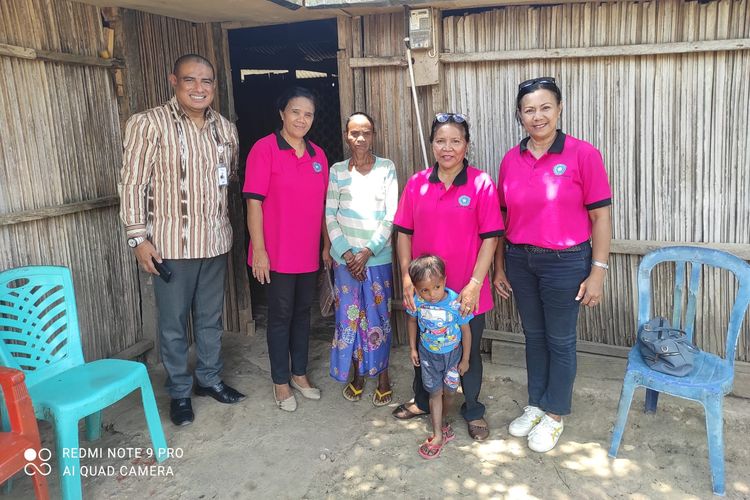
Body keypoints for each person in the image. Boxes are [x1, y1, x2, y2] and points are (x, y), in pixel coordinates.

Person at [119, 54, 246, 427]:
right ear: (173, 80)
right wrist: (138, 238)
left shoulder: (225, 128)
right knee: (173, 323)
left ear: (214, 87)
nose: (198, 88)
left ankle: (208, 379)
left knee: (209, 319)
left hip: (215, 241)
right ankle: (178, 391)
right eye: (190, 80)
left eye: (206, 82)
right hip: (170, 246)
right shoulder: (148, 124)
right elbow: (132, 184)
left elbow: (230, 177)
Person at [493, 76, 612, 453]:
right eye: (529, 110)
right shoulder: (511, 159)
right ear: (519, 115)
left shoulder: (583, 154)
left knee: (560, 341)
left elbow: (601, 218)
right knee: (534, 337)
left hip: (566, 263)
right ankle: (536, 403)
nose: (537, 116)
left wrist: (598, 272)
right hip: (520, 259)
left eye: (545, 107)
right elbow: (500, 217)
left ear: (559, 109)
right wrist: (499, 267)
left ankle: (555, 414)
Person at [392, 113, 503, 441]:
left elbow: (491, 238)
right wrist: (406, 278)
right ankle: (424, 400)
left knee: (467, 352)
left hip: (467, 291)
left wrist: (474, 283)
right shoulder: (417, 183)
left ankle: (473, 408)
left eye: (455, 141)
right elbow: (403, 232)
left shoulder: (481, 184)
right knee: (425, 347)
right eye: (441, 141)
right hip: (425, 290)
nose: (448, 147)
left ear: (466, 145)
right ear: (432, 144)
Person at [244, 86, 331, 412]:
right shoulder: (264, 150)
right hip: (276, 253)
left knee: (302, 315)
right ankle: (280, 381)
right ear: (282, 113)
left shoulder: (318, 156)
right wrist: (260, 250)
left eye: (308, 114)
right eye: (295, 111)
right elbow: (254, 205)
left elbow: (323, 206)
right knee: (279, 317)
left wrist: (325, 245)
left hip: (308, 253)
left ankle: (299, 374)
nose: (302, 119)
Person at [326, 112, 397, 406]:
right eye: (354, 133)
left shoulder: (386, 168)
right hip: (345, 263)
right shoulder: (337, 170)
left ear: (374, 135)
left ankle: (382, 376)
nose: (360, 139)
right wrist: (347, 254)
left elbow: (391, 215)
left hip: (376, 260)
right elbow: (330, 214)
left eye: (366, 133)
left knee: (378, 319)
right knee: (349, 321)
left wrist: (367, 252)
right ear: (346, 136)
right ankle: (356, 375)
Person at [406, 255, 471, 459]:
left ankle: (443, 423)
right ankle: (437, 435)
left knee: (450, 392)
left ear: (444, 280)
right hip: (428, 357)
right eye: (424, 290)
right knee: (435, 392)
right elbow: (411, 322)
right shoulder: (417, 302)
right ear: (416, 288)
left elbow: (466, 331)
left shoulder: (455, 302)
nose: (431, 294)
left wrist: (466, 359)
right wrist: (412, 348)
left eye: (436, 287)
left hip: (453, 357)